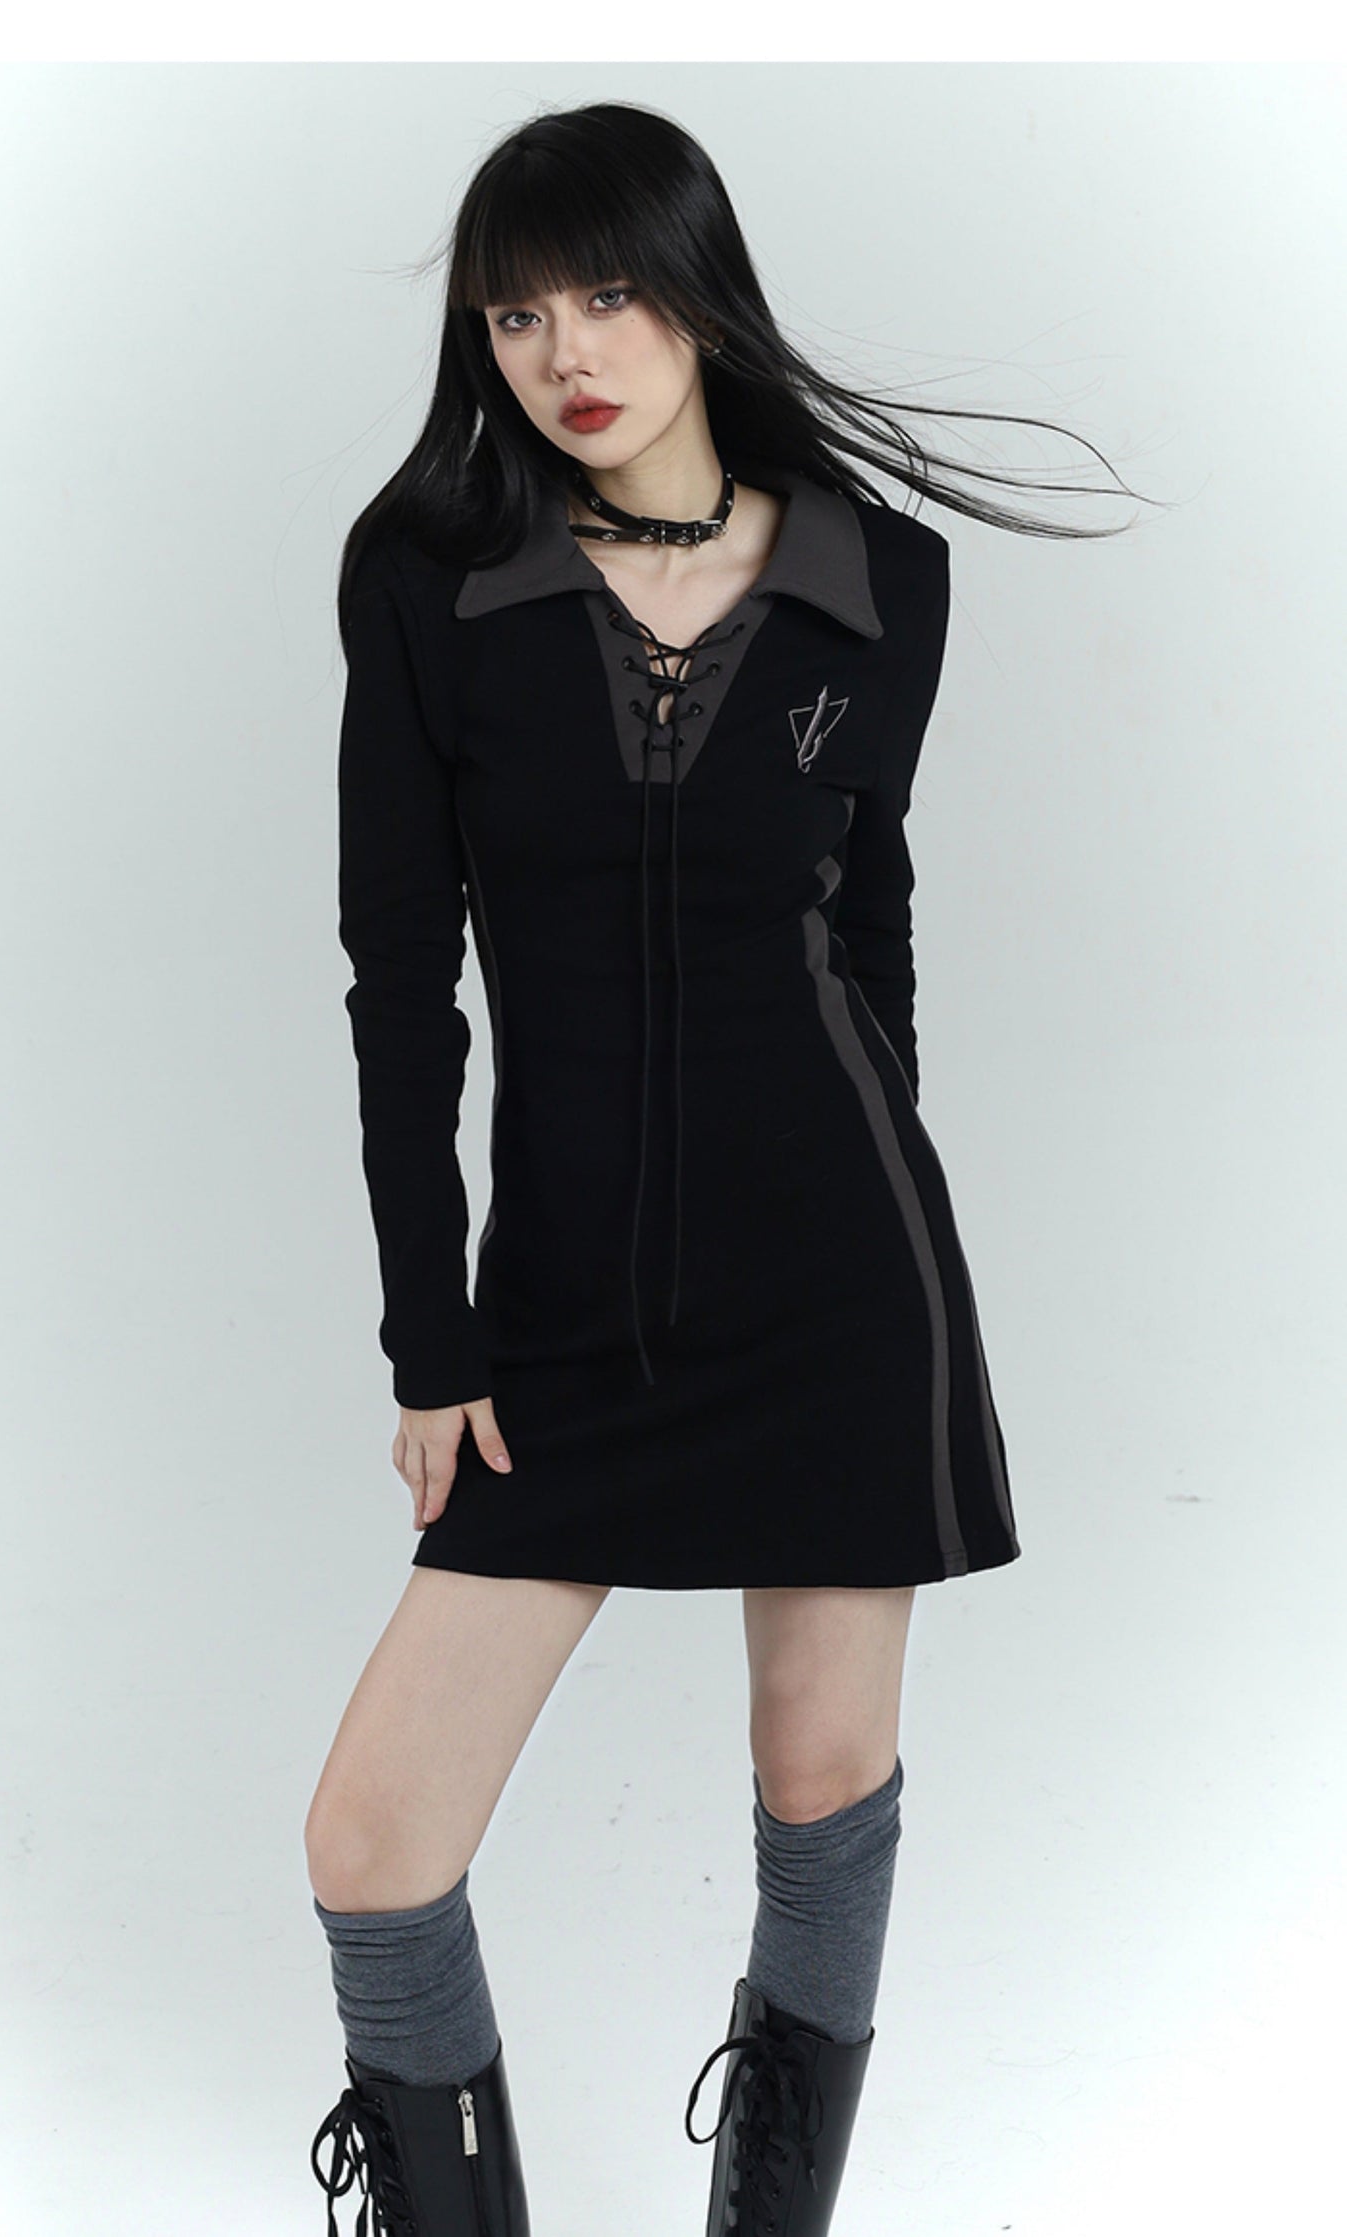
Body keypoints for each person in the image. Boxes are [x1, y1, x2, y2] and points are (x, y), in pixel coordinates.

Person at [303, 98, 1151, 2237]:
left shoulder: (882, 581)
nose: (564, 353)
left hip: (839, 1290)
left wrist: (890, 1224)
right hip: (554, 1320)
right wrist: (433, 1342)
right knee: (374, 1844)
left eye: (605, 294)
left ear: (698, 295)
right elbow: (403, 983)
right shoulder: (431, 587)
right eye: (514, 315)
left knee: (819, 1781)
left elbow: (872, 931)